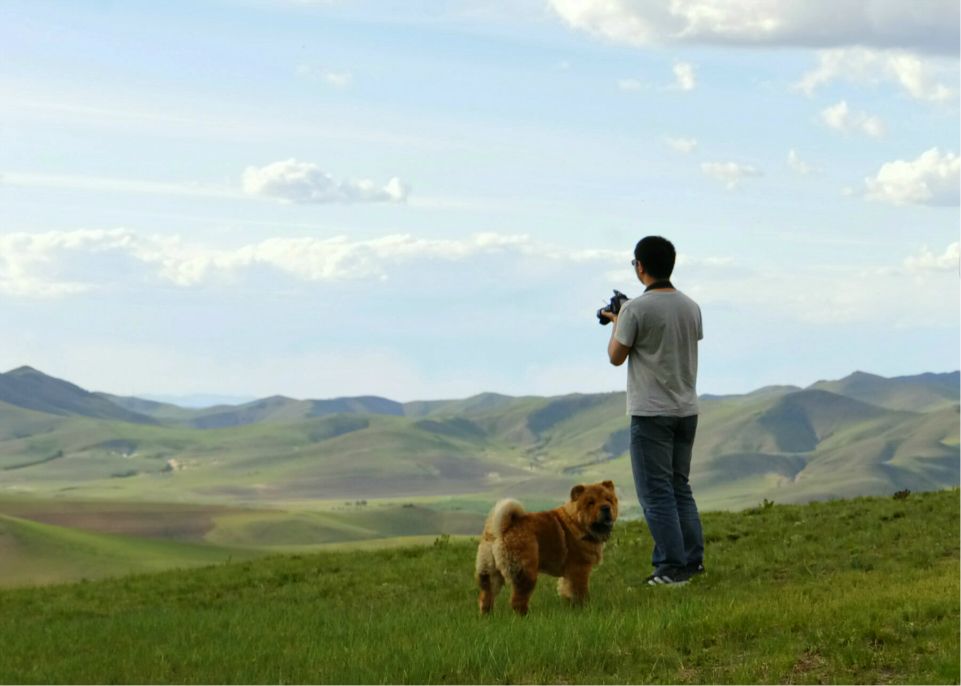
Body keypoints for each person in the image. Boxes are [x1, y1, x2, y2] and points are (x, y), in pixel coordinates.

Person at [601, 235, 705, 586]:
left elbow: (616, 356)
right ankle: (692, 561)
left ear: (640, 267)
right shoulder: (691, 306)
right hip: (686, 409)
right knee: (679, 487)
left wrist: (617, 319)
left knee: (655, 492)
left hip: (651, 412)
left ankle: (671, 568)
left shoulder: (635, 310)